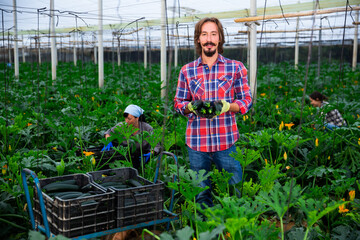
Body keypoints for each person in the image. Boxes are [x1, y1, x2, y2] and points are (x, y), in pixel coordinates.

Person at [173, 17, 252, 207]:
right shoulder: (187, 71)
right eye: (204, 34)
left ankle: (232, 231)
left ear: (220, 39)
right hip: (196, 143)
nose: (209, 39)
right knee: (201, 195)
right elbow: (178, 103)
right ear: (198, 40)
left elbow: (246, 101)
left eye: (213, 34)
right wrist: (190, 107)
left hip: (226, 141)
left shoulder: (236, 68)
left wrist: (228, 106)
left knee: (234, 191)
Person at [102, 104, 161, 170]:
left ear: (137, 118)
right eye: (125, 118)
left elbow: (156, 146)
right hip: (125, 158)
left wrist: (151, 154)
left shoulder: (147, 128)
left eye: (129, 119)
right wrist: (108, 140)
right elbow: (108, 133)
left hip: (141, 159)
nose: (126, 121)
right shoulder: (122, 126)